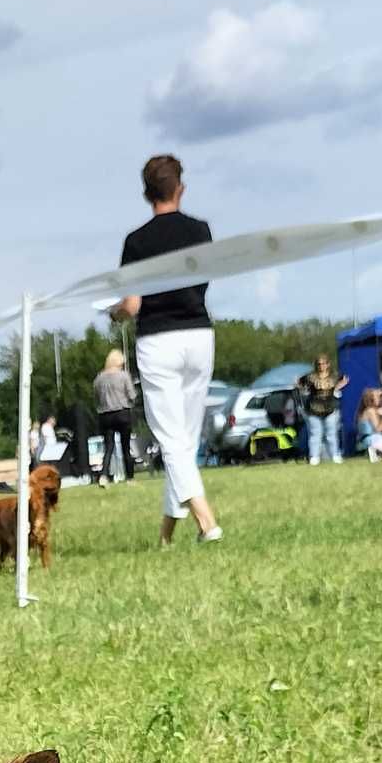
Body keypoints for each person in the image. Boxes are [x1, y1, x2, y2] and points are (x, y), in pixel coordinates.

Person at [118, 152, 221, 547]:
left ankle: (207, 522)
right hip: (198, 333)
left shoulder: (136, 241)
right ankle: (165, 536)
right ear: (180, 187)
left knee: (173, 440)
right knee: (184, 442)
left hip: (158, 339)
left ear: (146, 193)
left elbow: (131, 305)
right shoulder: (201, 230)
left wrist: (114, 313)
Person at [91, 350, 138, 483]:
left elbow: (95, 395)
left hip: (105, 414)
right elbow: (131, 394)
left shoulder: (99, 377)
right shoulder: (123, 376)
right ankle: (130, 477)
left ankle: (104, 475)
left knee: (109, 447)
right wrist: (132, 401)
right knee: (125, 447)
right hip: (122, 413)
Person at [297, 356, 347, 464]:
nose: (321, 366)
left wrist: (337, 387)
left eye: (323, 363)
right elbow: (299, 382)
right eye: (319, 364)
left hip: (330, 408)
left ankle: (335, 455)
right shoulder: (310, 377)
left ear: (328, 364)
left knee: (331, 434)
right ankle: (314, 457)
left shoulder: (334, 376)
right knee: (315, 434)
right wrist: (304, 390)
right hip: (314, 409)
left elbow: (344, 379)